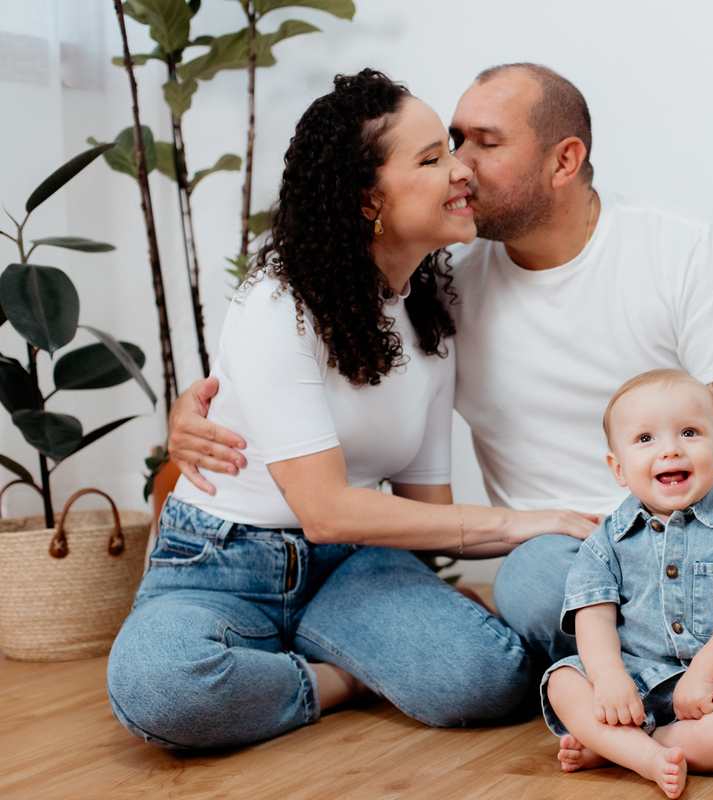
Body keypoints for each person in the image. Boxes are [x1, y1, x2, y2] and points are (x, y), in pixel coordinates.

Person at [168, 63, 713, 705]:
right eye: (448, 145)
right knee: (540, 592)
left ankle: (708, 663)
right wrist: (194, 413)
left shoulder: (679, 249)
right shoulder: (440, 287)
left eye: (482, 143)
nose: (460, 166)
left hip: (709, 524)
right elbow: (307, 356)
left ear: (564, 160)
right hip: (568, 550)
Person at [106, 69, 596, 750]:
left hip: (353, 566)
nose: (461, 170)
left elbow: (429, 515)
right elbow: (325, 510)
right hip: (221, 563)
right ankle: (339, 677)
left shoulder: (430, 314)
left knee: (486, 678)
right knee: (160, 685)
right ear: (369, 199)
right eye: (432, 158)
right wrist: (523, 522)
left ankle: (292, 670)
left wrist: (557, 529)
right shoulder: (278, 303)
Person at [544, 370, 713, 798]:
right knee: (563, 681)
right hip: (632, 677)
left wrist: (705, 675)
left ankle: (621, 747)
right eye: (645, 439)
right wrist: (609, 676)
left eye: (689, 433)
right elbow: (594, 616)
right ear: (618, 468)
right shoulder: (607, 540)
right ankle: (643, 755)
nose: (671, 449)